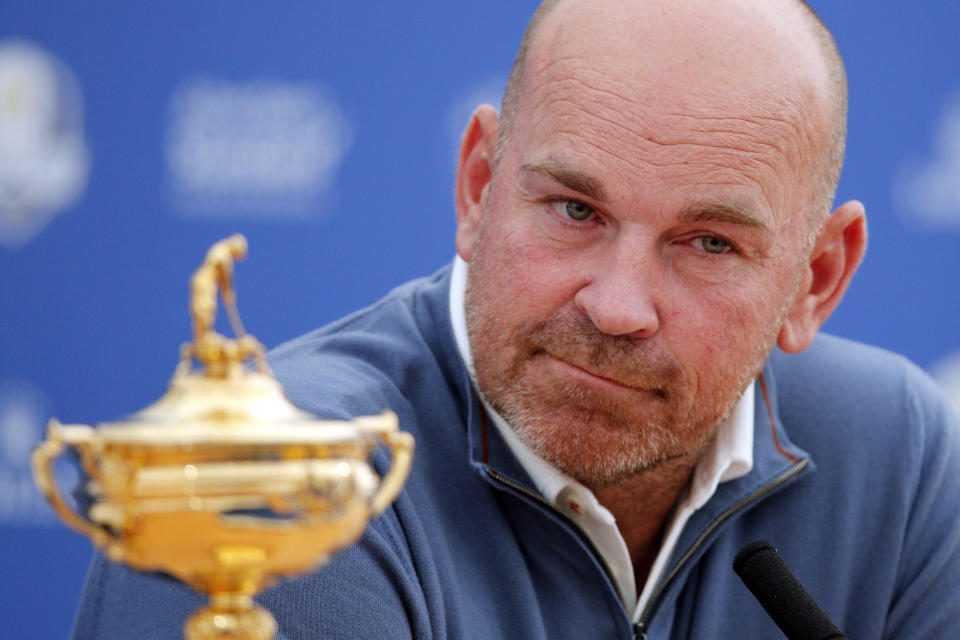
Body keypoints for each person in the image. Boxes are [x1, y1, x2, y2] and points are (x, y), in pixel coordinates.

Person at [72, 0, 960, 638]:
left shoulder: (901, 452)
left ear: (816, 277)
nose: (616, 307)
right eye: (576, 210)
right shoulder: (280, 480)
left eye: (709, 245)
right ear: (478, 188)